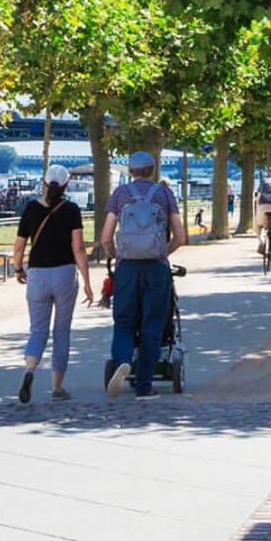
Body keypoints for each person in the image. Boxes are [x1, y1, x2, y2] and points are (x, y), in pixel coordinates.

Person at [102, 151, 186, 400]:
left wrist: (116, 255)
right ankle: (144, 386)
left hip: (127, 268)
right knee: (153, 324)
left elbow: (106, 237)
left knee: (124, 321)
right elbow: (180, 236)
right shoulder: (164, 194)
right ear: (152, 169)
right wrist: (162, 252)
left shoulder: (120, 194)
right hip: (156, 268)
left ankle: (122, 361)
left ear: (130, 171)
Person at [13, 164, 93, 404]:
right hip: (64, 275)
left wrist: (18, 268)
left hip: (37, 275)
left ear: (45, 183)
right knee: (61, 333)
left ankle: (29, 371)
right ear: (66, 185)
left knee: (37, 331)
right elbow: (78, 248)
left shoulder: (30, 209)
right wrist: (88, 282)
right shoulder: (71, 210)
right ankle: (57, 388)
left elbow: (18, 247)